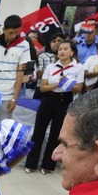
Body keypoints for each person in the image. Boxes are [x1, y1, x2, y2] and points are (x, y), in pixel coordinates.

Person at [24, 40, 84, 174]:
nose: (62, 51)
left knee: (56, 134)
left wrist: (66, 84)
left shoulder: (78, 67)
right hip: (48, 98)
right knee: (38, 131)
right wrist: (58, 84)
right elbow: (43, 87)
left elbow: (79, 87)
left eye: (65, 49)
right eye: (60, 49)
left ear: (72, 52)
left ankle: (48, 165)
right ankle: (31, 163)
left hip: (65, 100)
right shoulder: (51, 67)